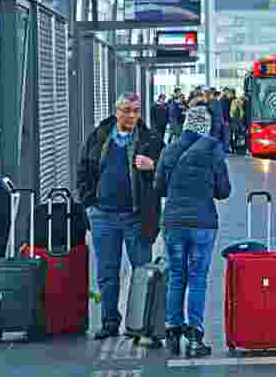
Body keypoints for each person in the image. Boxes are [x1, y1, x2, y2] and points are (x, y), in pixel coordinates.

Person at [77, 92, 164, 339]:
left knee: (142, 272)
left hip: (136, 217)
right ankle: (109, 321)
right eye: (127, 110)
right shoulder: (100, 136)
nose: (132, 115)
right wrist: (89, 204)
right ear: (117, 111)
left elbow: (167, 173)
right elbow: (83, 169)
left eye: (136, 110)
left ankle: (141, 324)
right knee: (107, 273)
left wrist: (154, 166)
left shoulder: (150, 139)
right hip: (103, 216)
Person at [154, 104, 231, 357]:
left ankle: (172, 333)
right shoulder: (213, 150)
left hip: (174, 223)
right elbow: (223, 191)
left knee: (177, 276)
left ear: (186, 124)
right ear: (206, 127)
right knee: (197, 279)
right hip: (203, 224)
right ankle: (195, 336)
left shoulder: (170, 149)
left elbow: (160, 188)